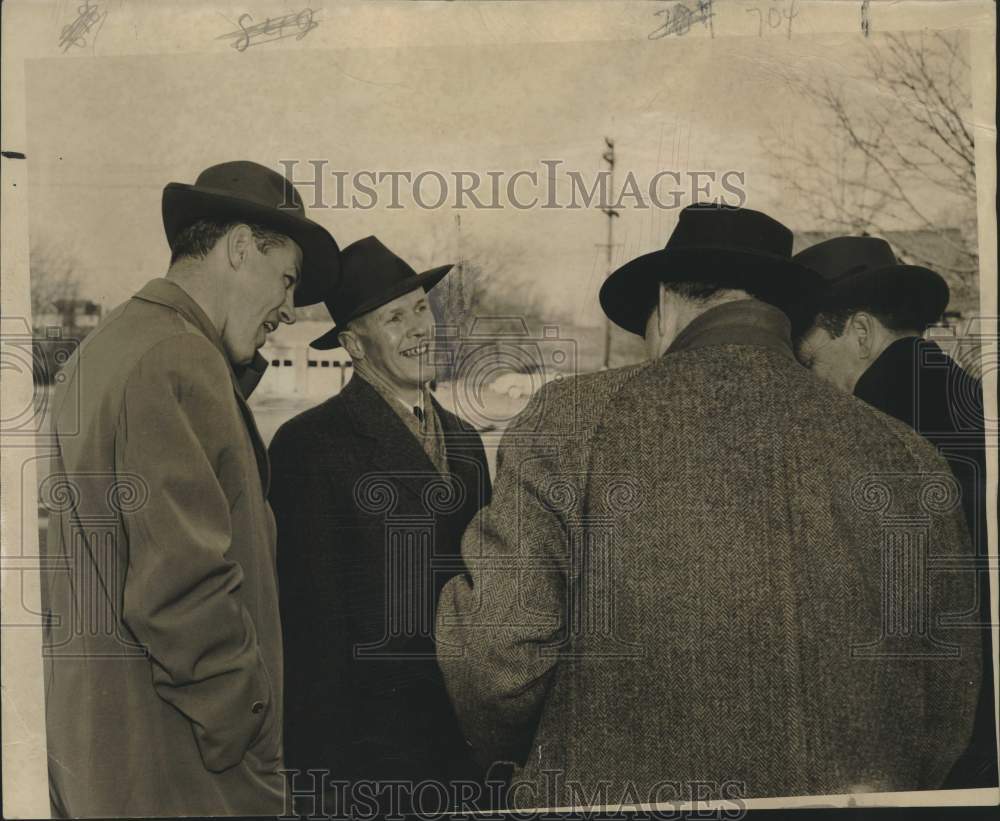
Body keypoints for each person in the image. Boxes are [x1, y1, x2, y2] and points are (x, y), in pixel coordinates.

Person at [435, 204, 981, 807]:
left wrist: (532, 761)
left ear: (666, 306)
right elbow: (949, 695)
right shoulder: (908, 454)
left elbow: (495, 660)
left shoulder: (568, 422)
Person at [40, 160, 340, 817]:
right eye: (286, 279)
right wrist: (249, 731)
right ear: (238, 247)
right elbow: (183, 589)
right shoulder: (178, 356)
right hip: (182, 770)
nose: (289, 310)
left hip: (105, 756)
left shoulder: (110, 346)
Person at [268, 236, 492, 816]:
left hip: (463, 750)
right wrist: (322, 782)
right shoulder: (309, 447)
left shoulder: (466, 442)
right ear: (353, 345)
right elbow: (309, 632)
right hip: (366, 761)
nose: (421, 328)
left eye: (422, 308)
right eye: (395, 318)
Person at [793, 235, 996, 788]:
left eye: (809, 361)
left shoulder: (874, 438)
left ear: (860, 333)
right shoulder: (970, 401)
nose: (809, 383)